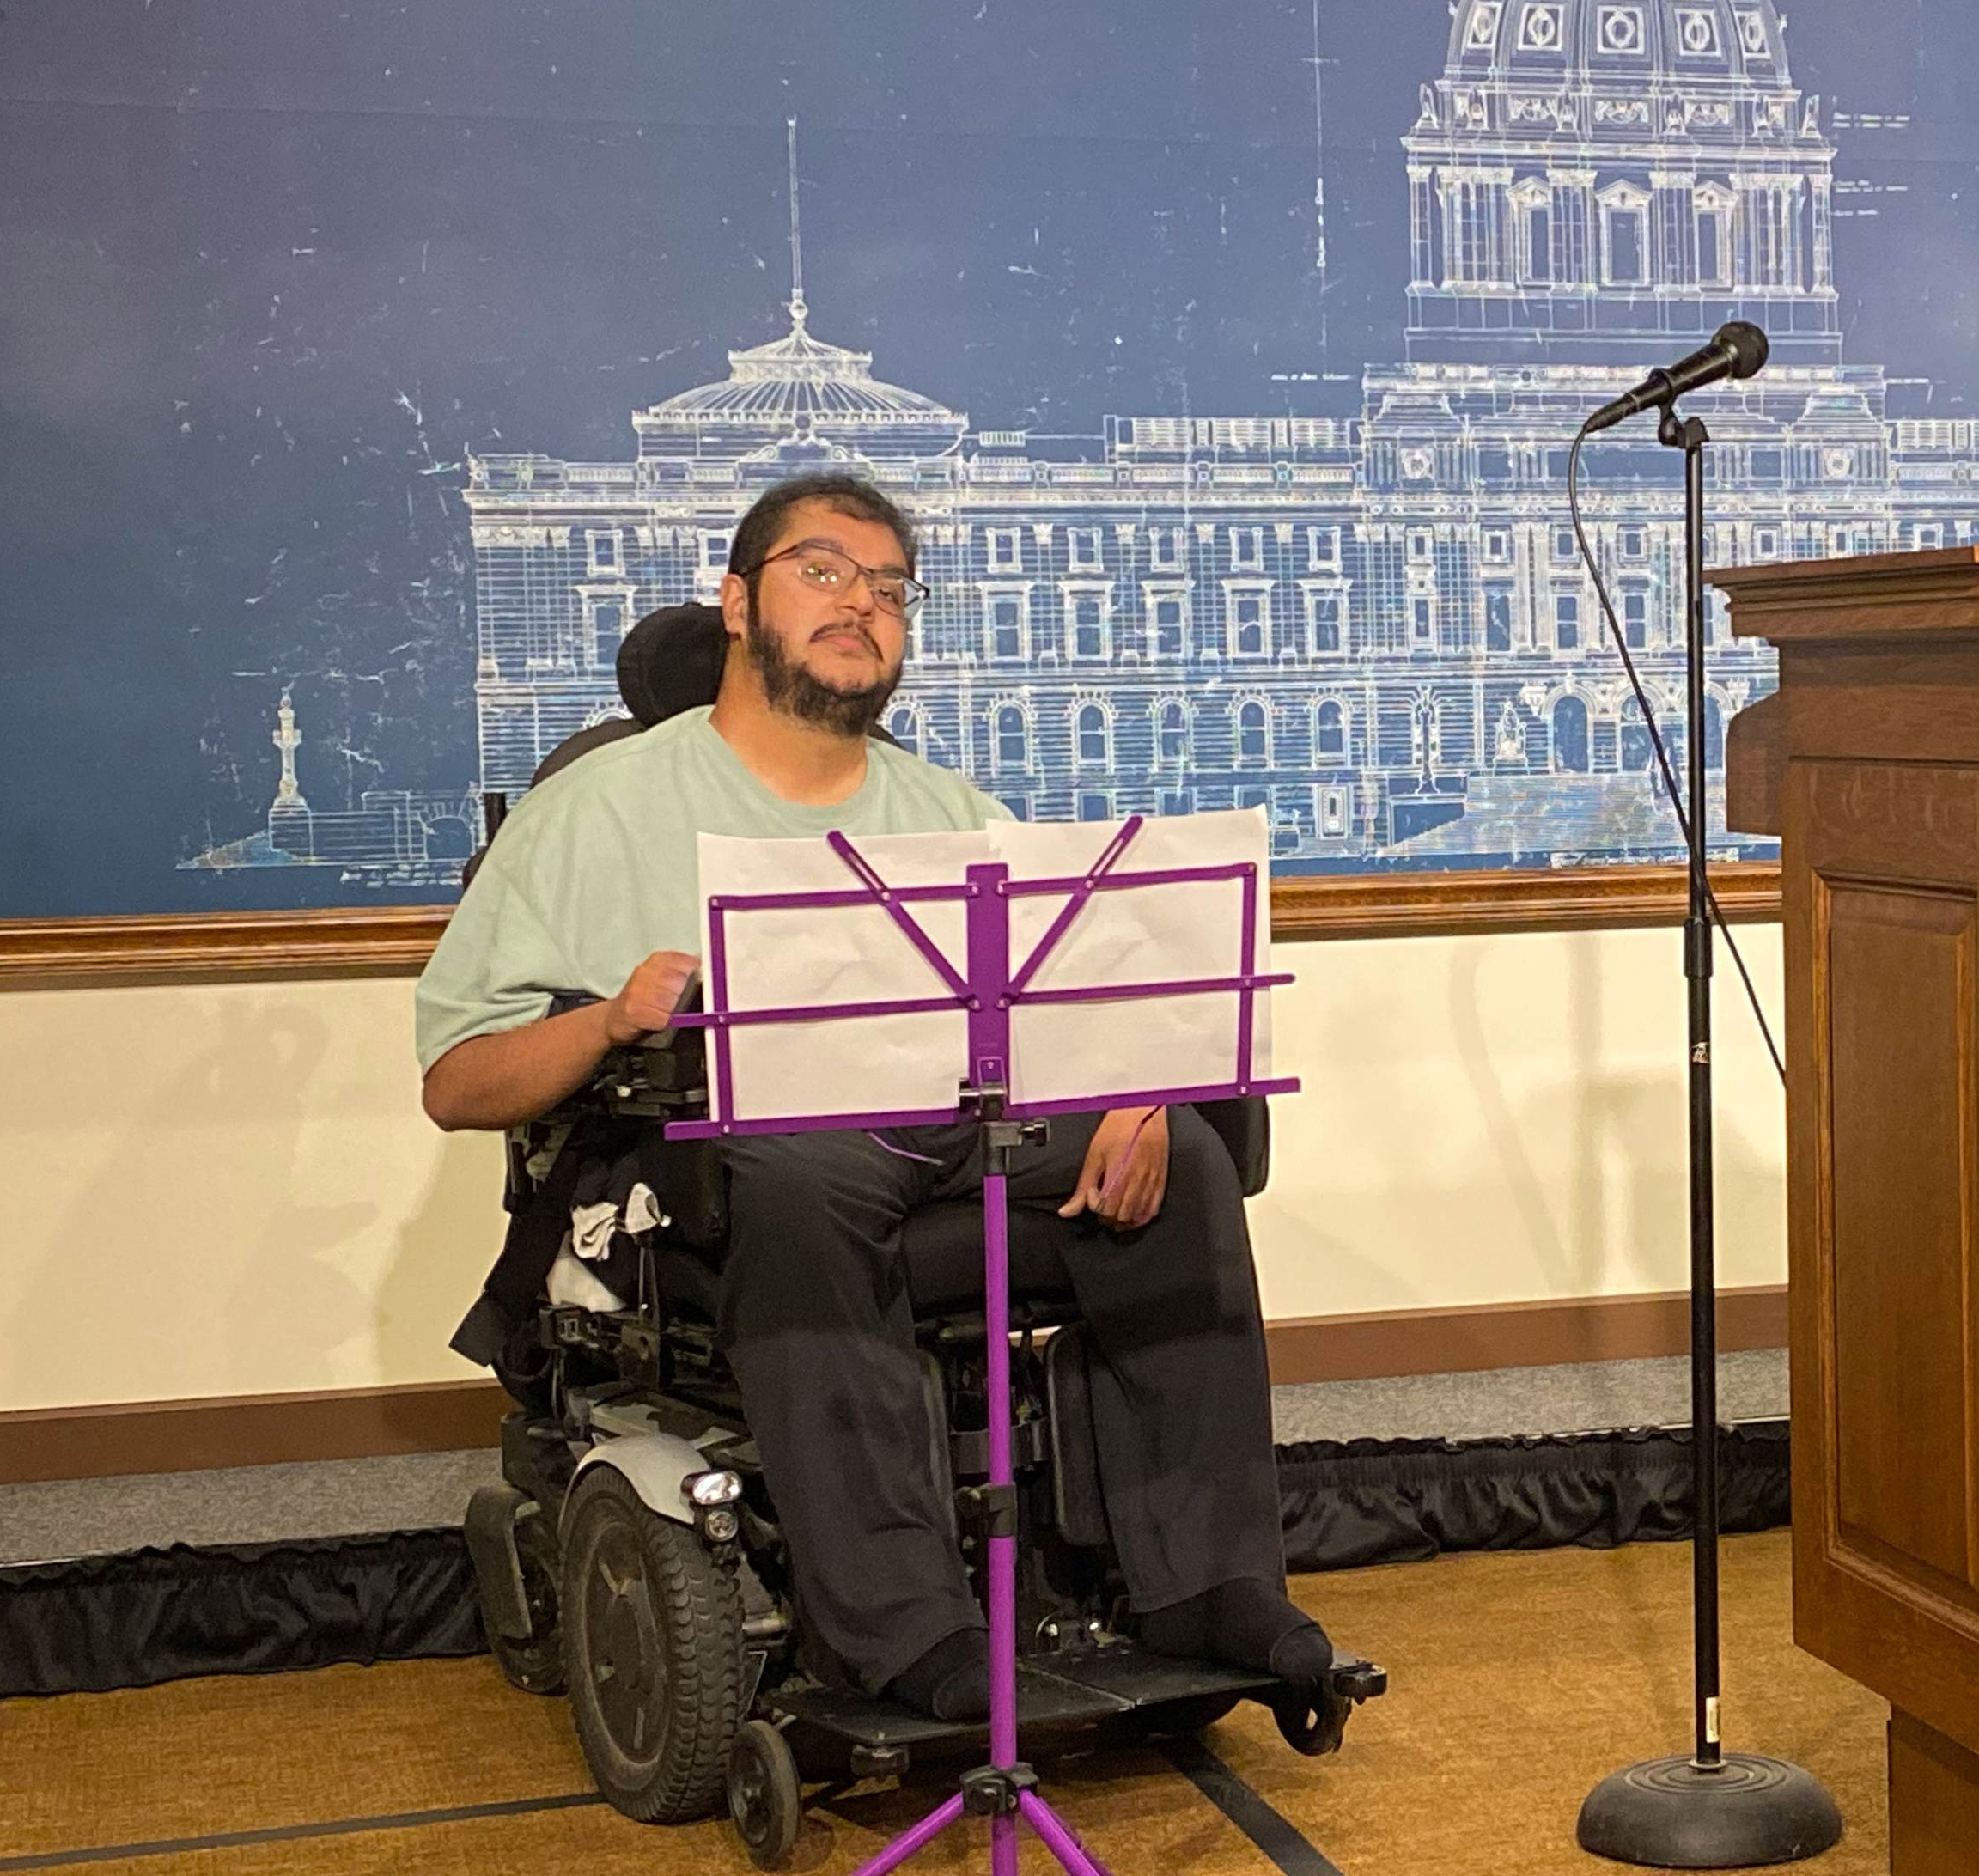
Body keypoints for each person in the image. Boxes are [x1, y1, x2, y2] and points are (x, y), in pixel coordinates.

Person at [416, 471, 1332, 1723]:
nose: (864, 604)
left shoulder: (952, 813)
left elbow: (1066, 1004)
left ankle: (1211, 1584)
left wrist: (1139, 1087)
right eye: (824, 572)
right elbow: (458, 1082)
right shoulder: (596, 811)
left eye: (891, 587)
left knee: (1189, 1148)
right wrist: (612, 1017)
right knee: (797, 1170)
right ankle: (906, 1630)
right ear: (737, 604)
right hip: (729, 1162)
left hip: (952, 1130)